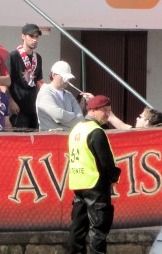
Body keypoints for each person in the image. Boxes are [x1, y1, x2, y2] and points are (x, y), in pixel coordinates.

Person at [67, 95, 121, 254]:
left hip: (78, 183)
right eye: (104, 111)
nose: (107, 114)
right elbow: (105, 161)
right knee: (98, 228)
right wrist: (114, 177)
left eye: (109, 111)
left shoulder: (76, 129)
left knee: (77, 228)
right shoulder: (96, 131)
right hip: (95, 185)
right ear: (93, 110)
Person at [6, 23, 44, 129]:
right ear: (23, 36)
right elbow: (4, 82)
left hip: (33, 109)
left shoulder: (38, 58)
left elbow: (38, 82)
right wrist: (10, 101)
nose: (35, 39)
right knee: (19, 141)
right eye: (31, 36)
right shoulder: (13, 56)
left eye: (36, 37)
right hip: (18, 108)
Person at [36, 61, 84, 131]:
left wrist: (66, 119)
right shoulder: (45, 92)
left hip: (69, 137)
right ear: (53, 75)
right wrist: (73, 115)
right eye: (63, 77)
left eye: (68, 78)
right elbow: (59, 115)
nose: (67, 80)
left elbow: (80, 118)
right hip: (50, 138)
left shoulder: (69, 95)